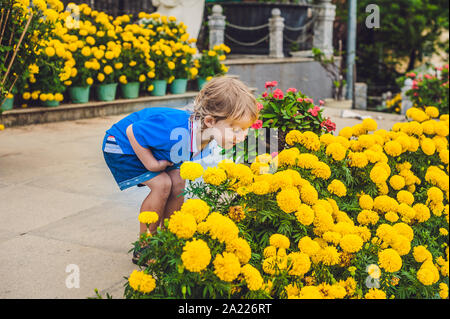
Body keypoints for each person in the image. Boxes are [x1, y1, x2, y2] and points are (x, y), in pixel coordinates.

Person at [101, 76, 259, 264]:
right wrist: (152, 164)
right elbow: (132, 131)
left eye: (245, 130)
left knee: (178, 182)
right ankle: (144, 247)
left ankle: (170, 237)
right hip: (122, 145)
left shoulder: (203, 135)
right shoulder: (174, 129)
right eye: (236, 130)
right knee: (162, 184)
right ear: (209, 121)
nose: (242, 137)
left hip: (153, 147)